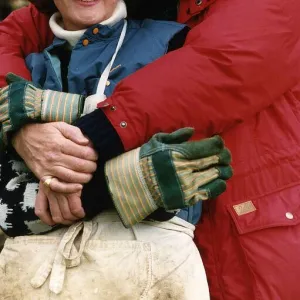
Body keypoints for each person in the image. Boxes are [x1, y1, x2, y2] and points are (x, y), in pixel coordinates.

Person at [1, 0, 300, 299]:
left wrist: (91, 164)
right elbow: (10, 37)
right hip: (159, 244)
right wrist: (18, 126)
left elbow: (223, 65)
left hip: (249, 231)